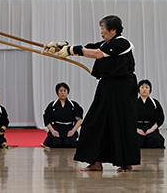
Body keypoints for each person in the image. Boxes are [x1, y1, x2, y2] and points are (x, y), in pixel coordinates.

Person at [52, 15, 140, 172]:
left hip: (123, 89)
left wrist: (73, 50)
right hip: (107, 87)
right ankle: (95, 162)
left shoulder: (122, 43)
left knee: (122, 123)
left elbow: (97, 54)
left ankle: (126, 163)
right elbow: (89, 47)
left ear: (113, 30)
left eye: (103, 28)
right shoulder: (106, 43)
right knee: (94, 121)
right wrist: (62, 46)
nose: (101, 32)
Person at [42, 82, 83, 148]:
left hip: (69, 128)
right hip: (57, 128)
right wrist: (53, 131)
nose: (63, 93)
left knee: (69, 143)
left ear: (67, 92)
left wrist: (73, 131)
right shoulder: (52, 105)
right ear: (57, 92)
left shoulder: (73, 105)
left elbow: (80, 119)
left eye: (65, 91)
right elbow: (47, 120)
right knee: (57, 143)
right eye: (61, 91)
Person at [137, 79, 165, 148]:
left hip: (150, 126)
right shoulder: (133, 103)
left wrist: (151, 129)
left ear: (150, 90)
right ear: (138, 89)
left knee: (155, 140)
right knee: (137, 140)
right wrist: (136, 129)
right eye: (142, 87)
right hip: (137, 127)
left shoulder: (155, 103)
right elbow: (128, 118)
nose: (144, 89)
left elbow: (160, 118)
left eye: (147, 87)